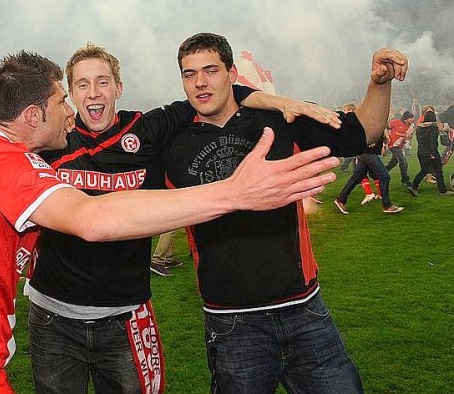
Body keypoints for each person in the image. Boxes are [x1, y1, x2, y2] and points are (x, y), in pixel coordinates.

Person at [0, 33, 340, 394]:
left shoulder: (147, 129)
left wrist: (284, 101)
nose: (84, 97)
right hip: (50, 320)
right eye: (73, 89)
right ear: (44, 108)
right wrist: (233, 193)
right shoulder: (32, 152)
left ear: (117, 87)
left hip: (125, 315)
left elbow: (215, 93)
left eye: (101, 82)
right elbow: (90, 218)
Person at [163, 33, 407, 394]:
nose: (199, 82)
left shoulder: (281, 116)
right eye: (189, 74)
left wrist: (378, 84)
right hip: (231, 321)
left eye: (210, 70)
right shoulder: (172, 141)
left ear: (232, 73)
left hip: (303, 310)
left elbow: (363, 132)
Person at [408, 109, 451, 195]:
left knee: (424, 170)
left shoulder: (419, 128)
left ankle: (414, 186)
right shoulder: (432, 128)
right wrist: (433, 153)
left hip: (421, 152)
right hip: (431, 152)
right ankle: (442, 190)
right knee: (438, 170)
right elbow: (433, 142)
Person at [384, 111, 415, 186]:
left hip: (400, 146)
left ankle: (379, 172)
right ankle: (405, 180)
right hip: (393, 145)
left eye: (412, 118)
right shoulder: (396, 122)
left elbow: (408, 137)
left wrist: (408, 138)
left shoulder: (411, 126)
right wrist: (387, 136)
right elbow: (385, 127)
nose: (412, 119)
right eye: (411, 118)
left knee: (393, 162)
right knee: (403, 160)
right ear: (406, 119)